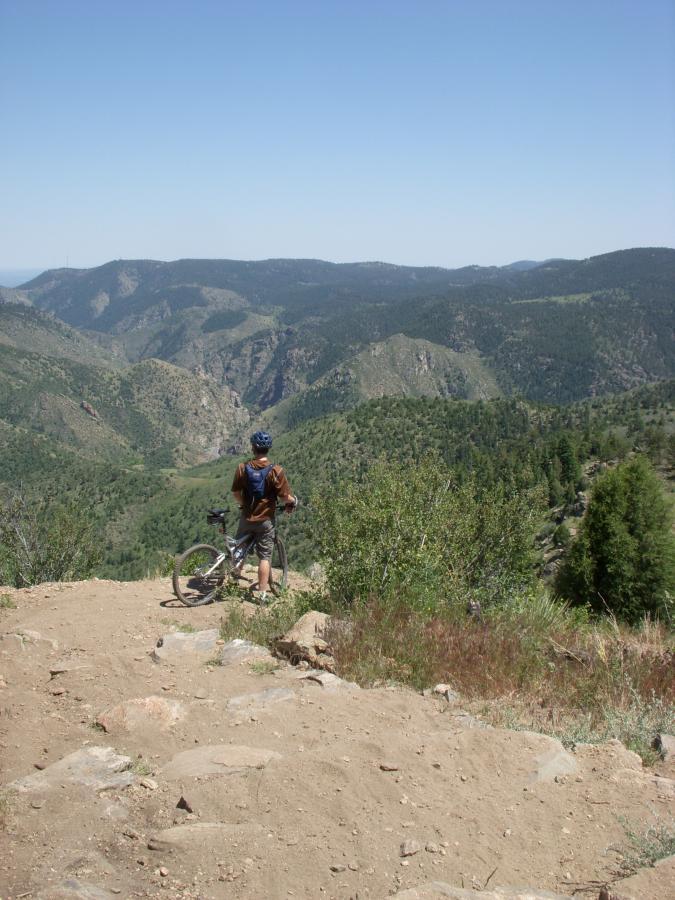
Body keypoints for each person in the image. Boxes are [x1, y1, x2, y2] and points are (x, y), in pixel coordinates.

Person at [231, 430, 296, 603]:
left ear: (253, 448)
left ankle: (234, 578)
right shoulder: (276, 471)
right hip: (266, 520)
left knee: (239, 548)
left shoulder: (242, 468)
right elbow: (284, 497)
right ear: (268, 449)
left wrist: (243, 504)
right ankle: (261, 594)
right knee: (265, 557)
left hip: (247, 517)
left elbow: (236, 493)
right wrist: (294, 500)